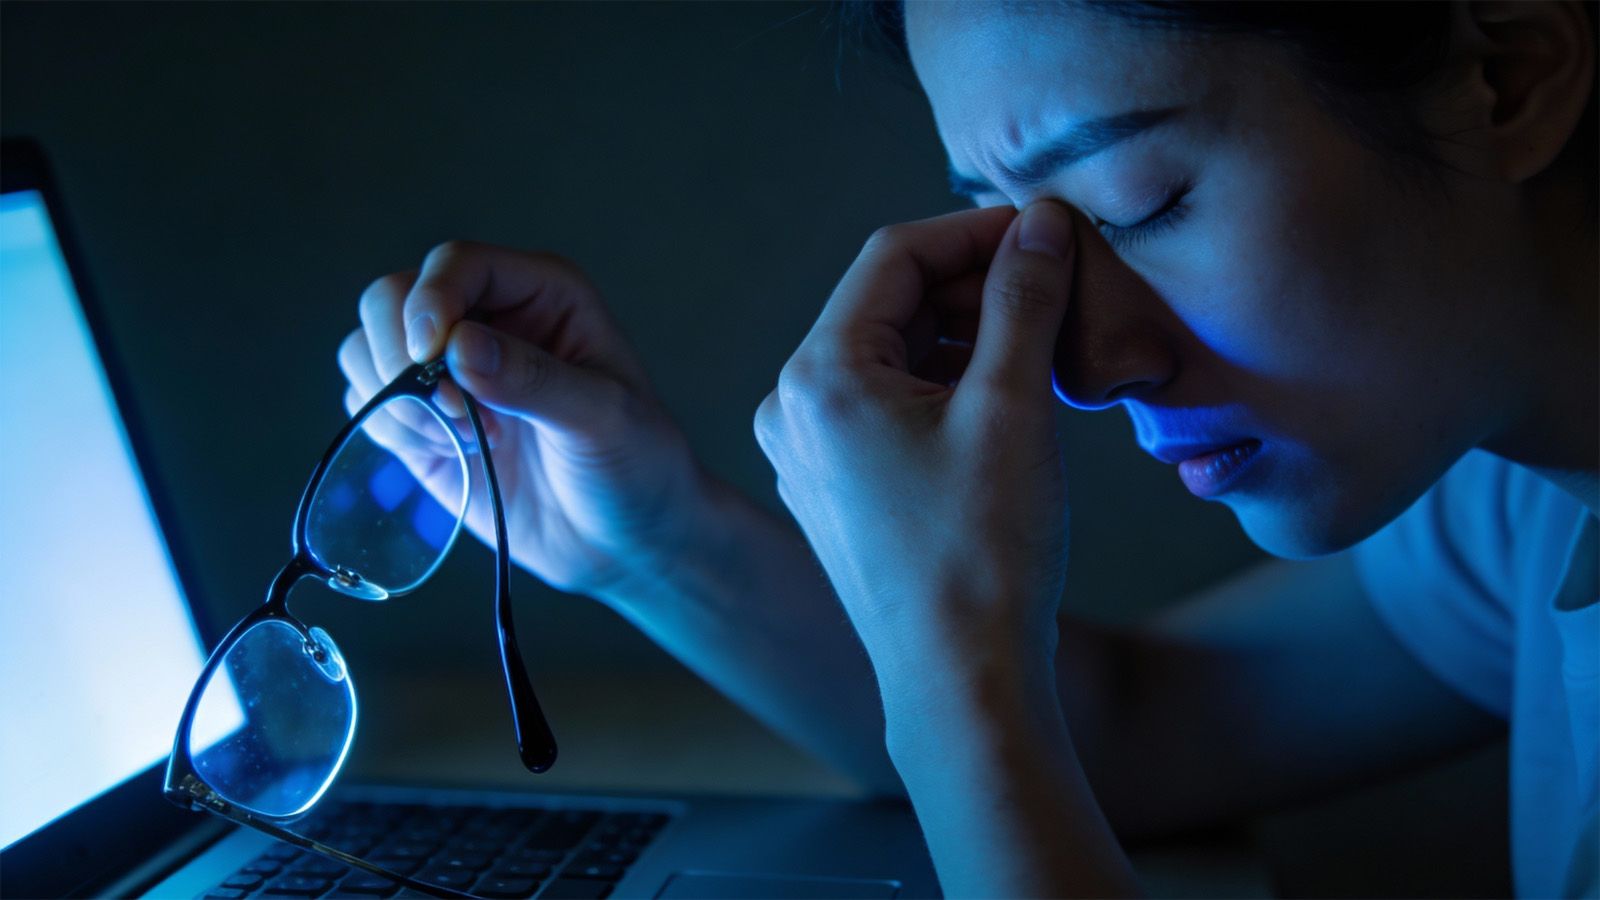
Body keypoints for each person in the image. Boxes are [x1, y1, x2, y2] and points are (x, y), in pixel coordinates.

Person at [337, 1, 1597, 895]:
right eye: (1020, 240)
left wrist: (948, 647)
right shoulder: (1530, 505)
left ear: (1505, 81)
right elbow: (1141, 731)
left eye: (1140, 204)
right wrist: (651, 540)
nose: (1086, 361)